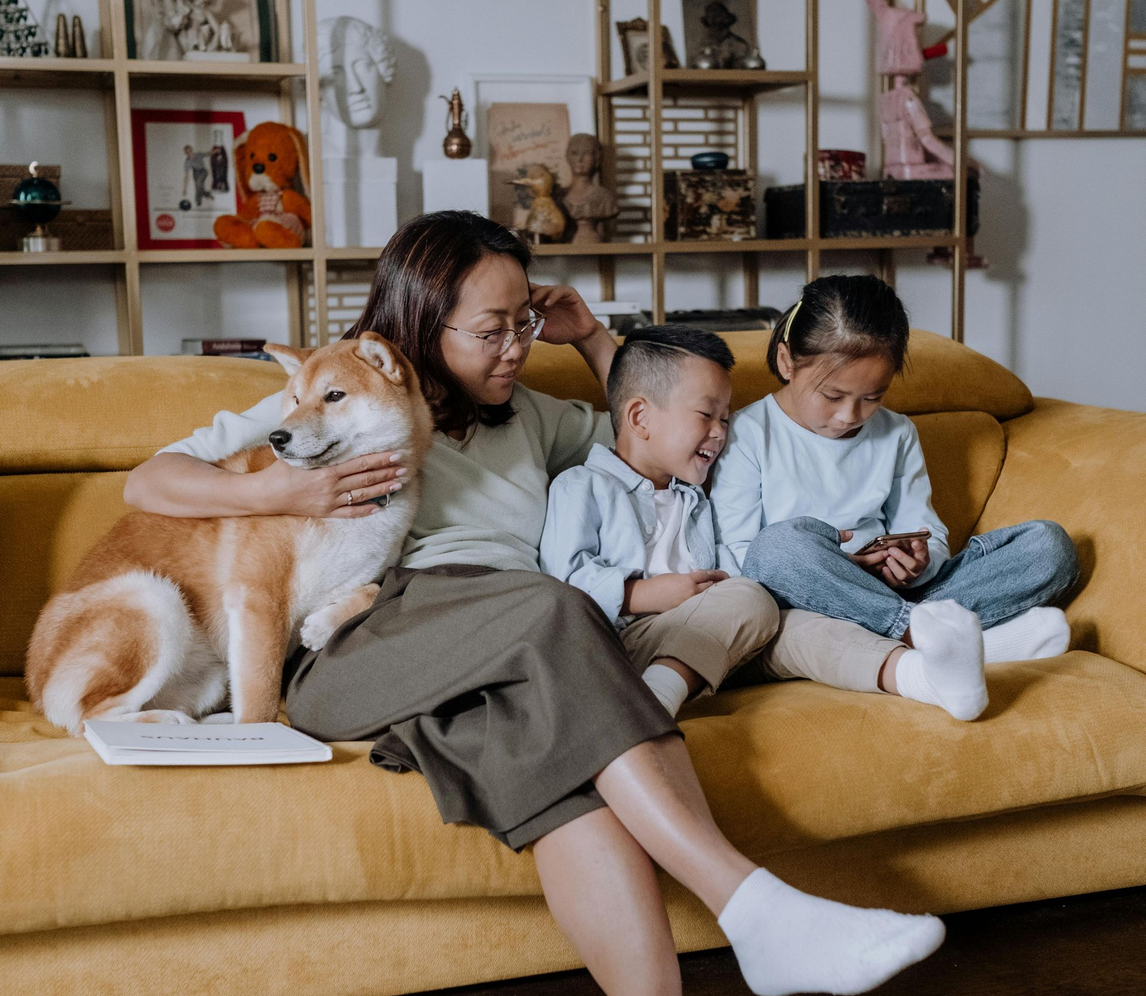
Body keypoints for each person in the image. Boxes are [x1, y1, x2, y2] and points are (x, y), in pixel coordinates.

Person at [124, 214, 944, 996]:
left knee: (575, 799)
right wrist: (283, 488)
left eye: (524, 322)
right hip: (363, 643)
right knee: (557, 608)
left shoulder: (529, 419)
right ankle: (755, 908)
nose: (517, 347)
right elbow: (149, 480)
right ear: (419, 326)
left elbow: (653, 424)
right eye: (492, 330)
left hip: (492, 660)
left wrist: (590, 337)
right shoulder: (342, 395)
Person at [543, 323, 990, 724]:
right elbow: (562, 586)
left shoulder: (694, 498)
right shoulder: (581, 485)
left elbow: (730, 568)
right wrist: (643, 593)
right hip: (627, 644)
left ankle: (924, 676)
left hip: (723, 637)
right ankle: (656, 698)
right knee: (751, 597)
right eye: (706, 415)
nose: (721, 432)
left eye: (725, 417)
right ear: (639, 417)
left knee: (797, 626)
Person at [711, 274, 1080, 724]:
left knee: (1049, 545)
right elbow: (745, 558)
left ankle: (919, 630)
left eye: (872, 397)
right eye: (833, 395)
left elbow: (927, 529)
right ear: (787, 361)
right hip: (807, 601)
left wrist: (921, 560)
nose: (850, 416)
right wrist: (844, 571)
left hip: (893, 593)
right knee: (779, 545)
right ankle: (927, 635)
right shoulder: (749, 433)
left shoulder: (897, 432)